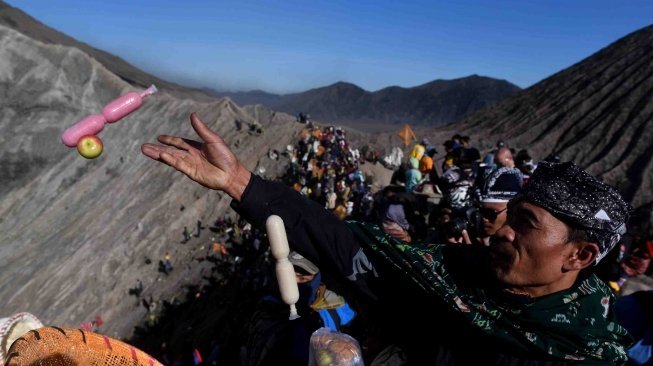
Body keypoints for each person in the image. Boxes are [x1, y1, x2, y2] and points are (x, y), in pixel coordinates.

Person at [142, 113, 632, 365]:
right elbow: (347, 248)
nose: (501, 230)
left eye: (525, 224)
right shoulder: (455, 279)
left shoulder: (580, 353)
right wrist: (241, 184)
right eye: (508, 215)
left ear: (581, 254)